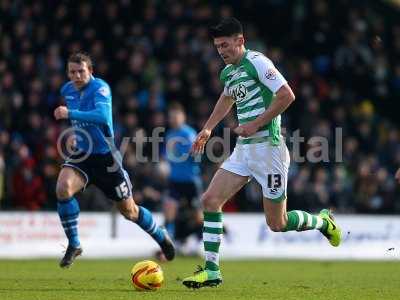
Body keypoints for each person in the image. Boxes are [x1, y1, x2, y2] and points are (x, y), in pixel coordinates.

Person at [182, 18, 341, 288]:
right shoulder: (228, 72)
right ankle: (211, 270)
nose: (221, 51)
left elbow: (287, 95)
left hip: (269, 150)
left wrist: (255, 124)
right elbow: (227, 97)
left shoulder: (258, 62)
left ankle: (323, 221)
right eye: (217, 46)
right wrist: (208, 128)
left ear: (240, 41)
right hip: (244, 151)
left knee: (277, 223)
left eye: (225, 45)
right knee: (210, 200)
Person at [54, 52, 175, 268]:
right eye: (72, 72)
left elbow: (101, 116)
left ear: (90, 71)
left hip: (107, 160)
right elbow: (80, 121)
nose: (77, 75)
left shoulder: (101, 88)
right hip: (83, 155)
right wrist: (75, 133)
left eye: (81, 71)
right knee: (63, 188)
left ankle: (160, 234)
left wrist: (70, 114)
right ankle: (74, 244)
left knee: (129, 211)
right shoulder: (67, 90)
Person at [164, 102, 203, 248]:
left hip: (190, 179)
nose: (173, 120)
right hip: (175, 179)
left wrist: (185, 151)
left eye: (176, 117)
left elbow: (197, 153)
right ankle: (169, 241)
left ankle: (201, 241)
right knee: (170, 208)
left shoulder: (188, 133)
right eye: (171, 117)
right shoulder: (170, 134)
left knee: (197, 212)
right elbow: (168, 155)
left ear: (183, 117)